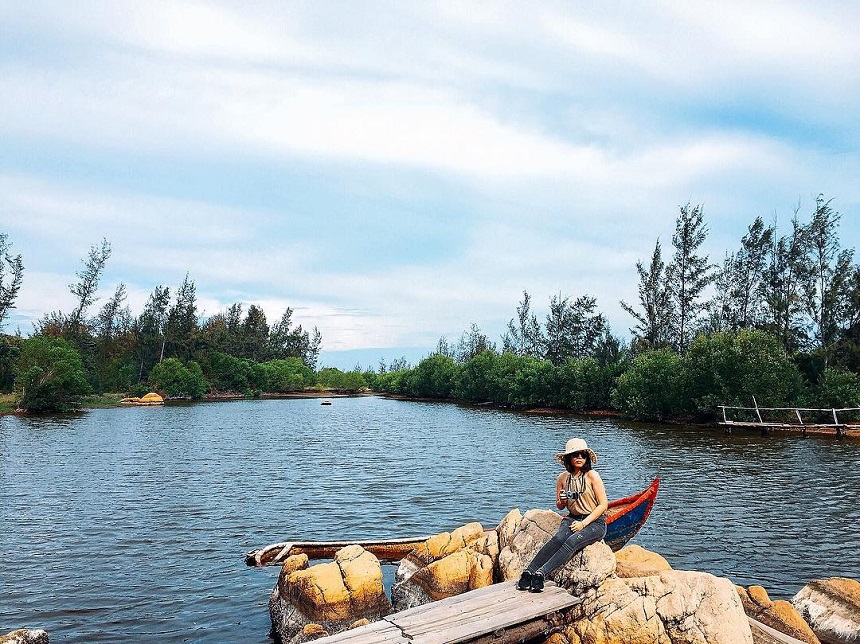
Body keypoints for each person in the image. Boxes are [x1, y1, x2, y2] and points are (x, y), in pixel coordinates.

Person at [517, 438, 609, 592]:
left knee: (572, 542)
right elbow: (560, 506)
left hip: (594, 523)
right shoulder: (562, 478)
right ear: (569, 458)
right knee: (558, 538)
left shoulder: (593, 476)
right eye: (575, 455)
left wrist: (583, 524)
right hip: (572, 518)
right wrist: (562, 500)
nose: (579, 458)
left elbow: (603, 505)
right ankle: (529, 572)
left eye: (583, 455)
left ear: (586, 458)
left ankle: (541, 574)